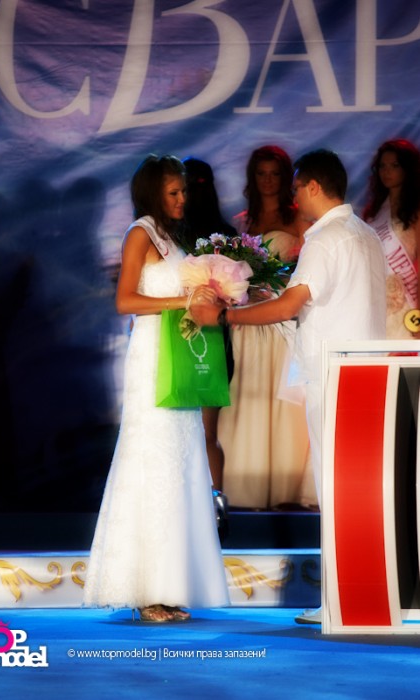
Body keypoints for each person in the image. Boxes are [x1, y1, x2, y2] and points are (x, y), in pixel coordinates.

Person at [191, 149, 387, 623]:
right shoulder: (364, 233)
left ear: (314, 186)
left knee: (336, 489)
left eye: (297, 187)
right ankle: (360, 596)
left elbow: (289, 306)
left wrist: (224, 317)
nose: (294, 196)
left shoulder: (325, 238)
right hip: (367, 373)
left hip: (333, 375)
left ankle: (340, 601)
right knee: (358, 490)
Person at [83, 154, 230, 623]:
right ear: (153, 193)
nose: (182, 198)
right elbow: (125, 300)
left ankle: (169, 586)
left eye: (183, 191)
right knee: (150, 460)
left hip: (176, 355)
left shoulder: (171, 238)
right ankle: (144, 588)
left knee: (180, 464)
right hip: (150, 361)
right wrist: (183, 300)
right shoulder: (140, 234)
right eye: (174, 192)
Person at [218, 145, 316, 510]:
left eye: (275, 174)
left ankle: (281, 486)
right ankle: (246, 487)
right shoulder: (242, 221)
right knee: (246, 395)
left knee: (279, 401)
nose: (269, 181)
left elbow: (308, 271)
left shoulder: (298, 218)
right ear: (253, 178)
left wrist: (275, 286)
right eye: (262, 174)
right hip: (246, 322)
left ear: (286, 177)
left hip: (279, 320)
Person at [181, 156, 236, 495]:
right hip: (208, 342)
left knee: (200, 433)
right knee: (205, 433)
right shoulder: (224, 235)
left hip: (203, 340)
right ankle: (215, 508)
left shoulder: (173, 237)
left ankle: (209, 506)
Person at [362, 138, 420, 338]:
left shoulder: (416, 210)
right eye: (382, 166)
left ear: (407, 169)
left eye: (394, 166)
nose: (387, 172)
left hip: (408, 299)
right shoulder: (373, 211)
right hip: (377, 298)